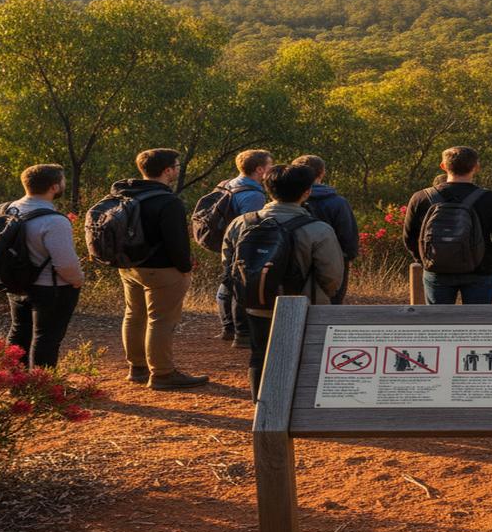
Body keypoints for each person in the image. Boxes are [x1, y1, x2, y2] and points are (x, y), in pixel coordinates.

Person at [222, 164, 344, 400]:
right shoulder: (318, 230)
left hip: (257, 302)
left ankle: (263, 407)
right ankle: (300, 408)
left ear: (268, 189)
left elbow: (228, 267)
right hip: (304, 306)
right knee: (304, 357)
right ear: (307, 192)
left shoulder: (241, 223)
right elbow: (331, 277)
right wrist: (322, 298)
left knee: (259, 355)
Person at [115, 148, 209, 390]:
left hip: (129, 267)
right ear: (167, 170)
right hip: (162, 269)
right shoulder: (168, 201)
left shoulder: (125, 194)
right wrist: (185, 268)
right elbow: (176, 241)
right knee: (161, 321)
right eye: (176, 166)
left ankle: (137, 368)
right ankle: (163, 374)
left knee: (134, 316)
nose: (177, 170)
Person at [0, 164, 84, 369]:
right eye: (62, 181)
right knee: (47, 338)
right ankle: (44, 387)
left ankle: (15, 383)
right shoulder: (54, 221)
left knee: (19, 331)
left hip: (15, 283)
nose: (64, 184)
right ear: (54, 187)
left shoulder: (2, 210)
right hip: (51, 289)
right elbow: (66, 264)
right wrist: (78, 280)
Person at [403, 146, 492, 305]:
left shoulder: (421, 198)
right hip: (481, 270)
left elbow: (409, 236)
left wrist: (425, 260)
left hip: (437, 269)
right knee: (476, 323)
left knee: (439, 324)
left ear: (443, 166)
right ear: (476, 167)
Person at [215, 150, 272, 347]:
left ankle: (227, 327)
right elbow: (251, 227)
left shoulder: (229, 184)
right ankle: (240, 332)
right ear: (259, 169)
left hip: (226, 241)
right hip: (242, 246)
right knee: (239, 285)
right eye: (269, 166)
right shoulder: (253, 195)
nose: (271, 170)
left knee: (227, 281)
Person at [292, 155, 359, 304]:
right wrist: (346, 258)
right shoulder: (337, 202)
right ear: (322, 173)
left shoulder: (289, 199)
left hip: (294, 264)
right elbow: (348, 238)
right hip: (332, 263)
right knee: (329, 309)